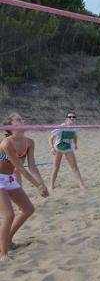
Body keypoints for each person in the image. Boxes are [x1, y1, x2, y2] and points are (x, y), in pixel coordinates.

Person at [0, 113, 49, 262]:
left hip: (8, 178)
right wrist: (37, 185)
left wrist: (42, 185)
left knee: (28, 209)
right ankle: (3, 254)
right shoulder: (6, 143)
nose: (24, 121)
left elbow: (32, 166)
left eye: (23, 118)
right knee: (9, 215)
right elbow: (20, 168)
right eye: (19, 120)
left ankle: (7, 241)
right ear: (10, 126)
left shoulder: (30, 142)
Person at [48, 112, 85, 190]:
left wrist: (75, 144)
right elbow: (50, 138)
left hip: (68, 148)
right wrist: (51, 147)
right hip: (58, 148)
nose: (72, 118)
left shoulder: (75, 128)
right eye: (70, 117)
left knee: (74, 167)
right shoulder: (61, 127)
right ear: (66, 119)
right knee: (56, 167)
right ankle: (51, 185)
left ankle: (81, 185)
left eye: (73, 117)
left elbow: (74, 135)